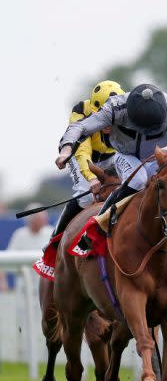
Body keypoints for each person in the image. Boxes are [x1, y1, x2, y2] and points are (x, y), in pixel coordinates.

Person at [56, 83, 167, 246]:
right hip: (125, 154)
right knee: (138, 180)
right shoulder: (115, 107)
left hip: (157, 154)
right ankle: (97, 227)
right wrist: (66, 150)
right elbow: (80, 127)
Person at [42, 80, 125, 253]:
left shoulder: (127, 112)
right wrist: (91, 177)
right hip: (80, 154)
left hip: (112, 156)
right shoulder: (81, 112)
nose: (108, 124)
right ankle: (55, 241)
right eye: (103, 117)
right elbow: (83, 151)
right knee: (85, 195)